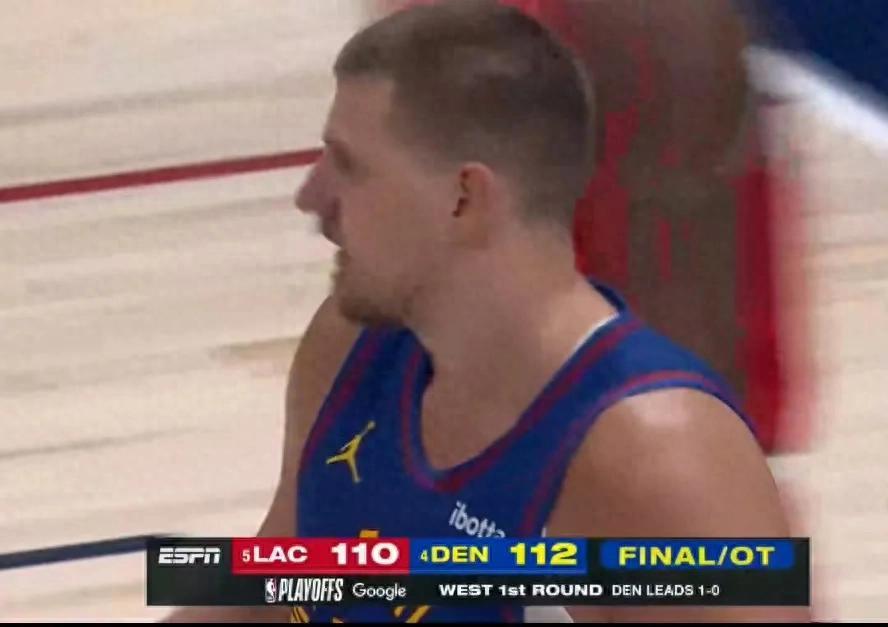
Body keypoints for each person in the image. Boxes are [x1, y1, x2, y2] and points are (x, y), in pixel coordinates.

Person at [163, 0, 807, 622]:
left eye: (350, 167)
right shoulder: (349, 346)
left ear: (465, 199)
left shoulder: (655, 457)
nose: (311, 196)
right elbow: (269, 592)